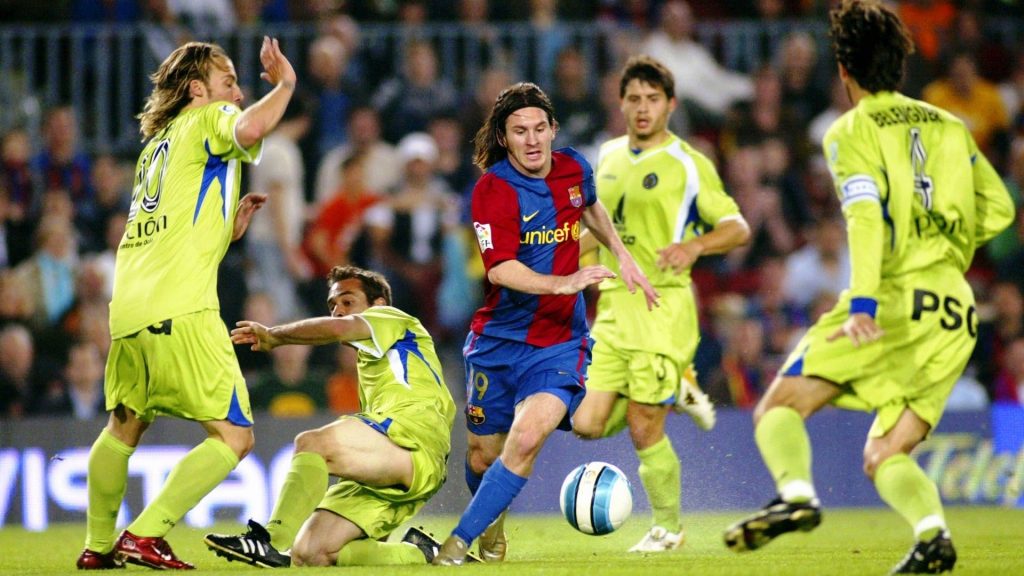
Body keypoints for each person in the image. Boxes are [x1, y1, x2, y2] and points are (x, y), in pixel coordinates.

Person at [723, 2, 1015, 574]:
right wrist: (943, 242)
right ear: (901, 64)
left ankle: (796, 496)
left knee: (779, 406)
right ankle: (932, 536)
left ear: (843, 70)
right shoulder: (952, 127)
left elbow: (864, 217)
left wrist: (862, 302)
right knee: (885, 452)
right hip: (953, 312)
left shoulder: (850, 130)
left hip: (893, 298)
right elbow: (1001, 208)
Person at [75, 37, 297, 570]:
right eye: (229, 82)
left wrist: (226, 230)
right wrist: (286, 85)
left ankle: (97, 546)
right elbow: (250, 128)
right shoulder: (208, 119)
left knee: (123, 427)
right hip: (182, 308)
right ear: (198, 90)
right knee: (235, 436)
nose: (238, 94)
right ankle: (145, 533)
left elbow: (169, 227)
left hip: (130, 310)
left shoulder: (157, 146)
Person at [430, 82, 659, 566]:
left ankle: (458, 542)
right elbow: (499, 270)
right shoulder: (493, 190)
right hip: (497, 341)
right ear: (504, 137)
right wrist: (564, 282)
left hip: (559, 343)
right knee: (482, 456)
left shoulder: (574, 167)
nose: (532, 140)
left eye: (539, 128)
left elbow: (590, 206)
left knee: (528, 437)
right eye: (520, 131)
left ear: (554, 129)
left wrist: (621, 253)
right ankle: (492, 529)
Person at [572, 55, 750, 553]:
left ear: (671, 104)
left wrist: (695, 246)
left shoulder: (689, 163)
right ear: (621, 103)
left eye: (653, 98)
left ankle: (668, 530)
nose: (643, 107)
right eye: (634, 98)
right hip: (613, 311)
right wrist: (570, 267)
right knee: (585, 423)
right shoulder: (606, 155)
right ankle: (677, 387)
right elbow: (595, 229)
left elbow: (737, 227)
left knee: (642, 423)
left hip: (662, 307)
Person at [203, 266, 457, 567]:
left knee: (313, 443)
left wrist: (274, 335)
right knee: (310, 554)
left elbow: (338, 329)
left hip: (412, 439)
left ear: (377, 304)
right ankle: (423, 553)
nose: (338, 311)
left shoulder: (391, 318)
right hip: (395, 457)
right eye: (333, 305)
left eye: (348, 302)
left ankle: (269, 541)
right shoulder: (374, 364)